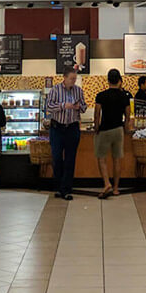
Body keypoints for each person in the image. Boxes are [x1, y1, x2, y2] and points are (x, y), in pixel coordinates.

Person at [45, 68, 86, 200]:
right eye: (71, 79)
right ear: (64, 77)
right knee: (56, 158)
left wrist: (79, 106)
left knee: (70, 159)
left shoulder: (78, 91)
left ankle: (67, 189)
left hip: (72, 128)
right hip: (57, 128)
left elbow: (84, 107)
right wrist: (63, 105)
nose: (73, 82)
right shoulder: (55, 90)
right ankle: (58, 187)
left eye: (75, 79)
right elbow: (48, 107)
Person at [94, 69, 132, 199]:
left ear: (108, 80)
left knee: (101, 158)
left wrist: (96, 127)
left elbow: (97, 113)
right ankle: (116, 188)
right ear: (119, 80)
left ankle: (106, 184)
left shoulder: (101, 95)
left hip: (104, 130)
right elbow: (128, 115)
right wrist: (126, 127)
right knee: (117, 159)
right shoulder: (124, 96)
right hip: (118, 130)